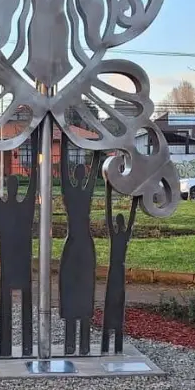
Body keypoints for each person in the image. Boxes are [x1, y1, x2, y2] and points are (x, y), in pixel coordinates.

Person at [0, 130, 40, 357]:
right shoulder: (24, 208)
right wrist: (36, 143)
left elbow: (32, 183)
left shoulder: (9, 209)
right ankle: (22, 347)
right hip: (17, 262)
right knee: (17, 305)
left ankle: (12, 348)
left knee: (15, 305)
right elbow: (32, 183)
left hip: (14, 262)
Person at [59, 134, 100, 355]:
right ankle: (78, 344)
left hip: (78, 243)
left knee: (81, 288)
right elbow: (92, 172)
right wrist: (98, 152)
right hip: (80, 242)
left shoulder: (73, 192)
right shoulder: (84, 192)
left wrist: (65, 140)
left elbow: (66, 171)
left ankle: (75, 344)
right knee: (77, 288)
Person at [102, 190, 138, 355]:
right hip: (118, 271)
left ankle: (110, 343)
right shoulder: (124, 235)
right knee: (115, 303)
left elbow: (109, 214)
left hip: (115, 271)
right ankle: (113, 343)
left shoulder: (116, 234)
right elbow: (129, 217)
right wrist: (135, 198)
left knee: (113, 303)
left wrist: (108, 192)